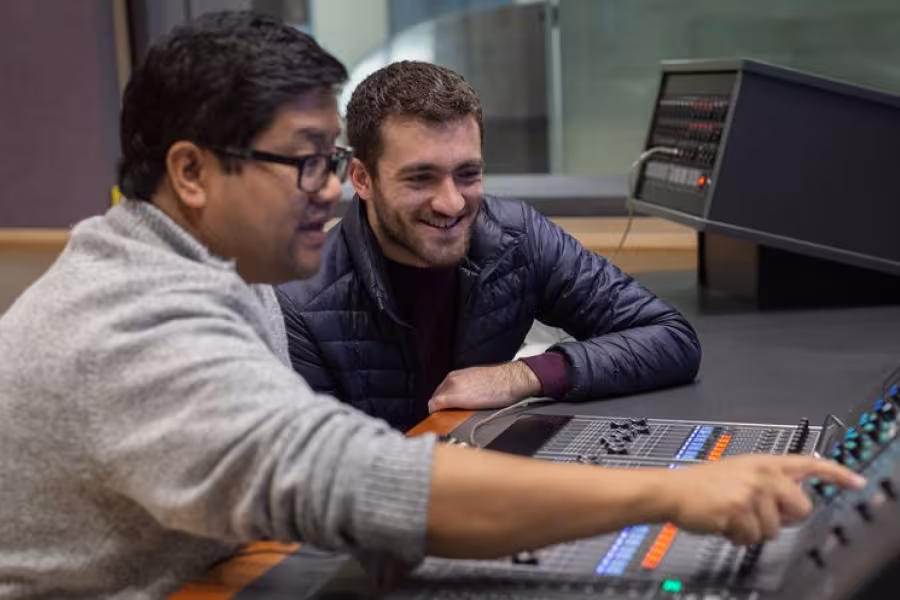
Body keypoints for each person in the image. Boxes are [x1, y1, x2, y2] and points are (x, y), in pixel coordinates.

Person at [0, 11, 862, 600]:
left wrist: (526, 378)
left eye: (329, 160)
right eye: (305, 163)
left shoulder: (216, 272)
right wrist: (671, 496)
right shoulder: (134, 323)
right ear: (191, 173)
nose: (330, 190)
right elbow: (359, 481)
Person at [277, 61, 702, 432]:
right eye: (420, 178)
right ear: (362, 178)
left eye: (467, 174)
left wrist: (522, 376)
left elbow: (670, 337)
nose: (452, 203)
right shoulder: (299, 302)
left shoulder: (517, 236)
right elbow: (318, 478)